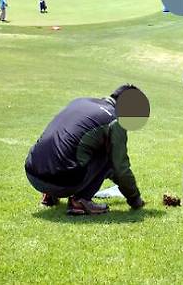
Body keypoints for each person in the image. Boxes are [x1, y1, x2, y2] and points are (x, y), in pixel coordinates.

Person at [24, 85, 145, 215]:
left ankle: (49, 195)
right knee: (110, 155)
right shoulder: (115, 121)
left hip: (33, 172)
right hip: (60, 181)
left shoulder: (80, 101)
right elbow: (120, 167)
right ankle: (80, 201)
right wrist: (135, 199)